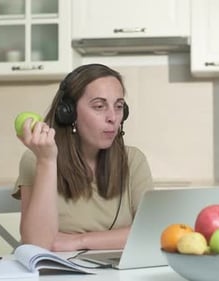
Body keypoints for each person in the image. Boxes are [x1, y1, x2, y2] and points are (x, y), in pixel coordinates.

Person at [13, 64, 154, 252]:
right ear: (68, 113)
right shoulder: (36, 159)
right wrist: (46, 162)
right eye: (99, 106)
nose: (113, 117)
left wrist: (79, 241)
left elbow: (150, 232)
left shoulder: (133, 160)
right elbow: (37, 245)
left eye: (119, 106)